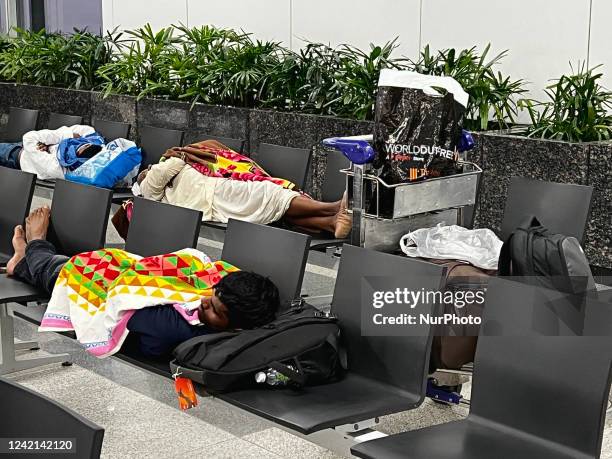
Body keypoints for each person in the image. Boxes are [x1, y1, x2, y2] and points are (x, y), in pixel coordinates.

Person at [6, 207, 280, 358]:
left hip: (97, 291)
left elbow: (133, 304)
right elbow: (207, 269)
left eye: (215, 312)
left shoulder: (173, 328)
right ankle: (23, 259)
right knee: (68, 263)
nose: (205, 302)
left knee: (54, 270)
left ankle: (32, 247)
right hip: (125, 269)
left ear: (237, 328)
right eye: (213, 296)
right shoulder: (223, 301)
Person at [137, 148, 352, 238]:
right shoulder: (155, 181)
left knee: (274, 208)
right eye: (144, 173)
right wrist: (158, 165)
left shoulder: (169, 184)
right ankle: (332, 209)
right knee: (268, 194)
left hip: (214, 193)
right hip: (214, 195)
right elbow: (172, 163)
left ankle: (332, 221)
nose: (146, 170)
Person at [0, 124, 101, 180]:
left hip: (14, 158)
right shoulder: (91, 136)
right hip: (24, 147)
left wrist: (66, 136)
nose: (72, 145)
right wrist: (49, 143)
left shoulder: (59, 169)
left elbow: (29, 138)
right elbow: (84, 129)